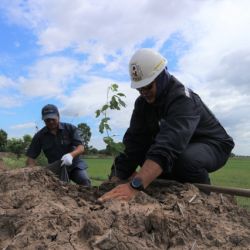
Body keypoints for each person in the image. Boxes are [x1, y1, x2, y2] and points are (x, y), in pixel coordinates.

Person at [99, 48, 234, 202]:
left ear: (162, 76)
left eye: (148, 86)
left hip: (212, 144)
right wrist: (116, 177)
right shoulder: (142, 104)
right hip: (180, 145)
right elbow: (134, 142)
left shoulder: (182, 99)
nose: (144, 92)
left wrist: (134, 186)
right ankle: (173, 189)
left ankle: (203, 198)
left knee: (185, 160)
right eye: (139, 89)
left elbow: (169, 145)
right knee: (148, 158)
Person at [26, 104, 91, 186]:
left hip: (75, 165)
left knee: (84, 180)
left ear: (58, 116)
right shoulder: (39, 136)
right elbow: (31, 157)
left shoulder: (70, 128)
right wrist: (30, 172)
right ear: (44, 120)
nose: (50, 122)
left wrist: (71, 155)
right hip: (56, 169)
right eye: (47, 120)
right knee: (56, 189)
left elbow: (81, 147)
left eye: (53, 119)